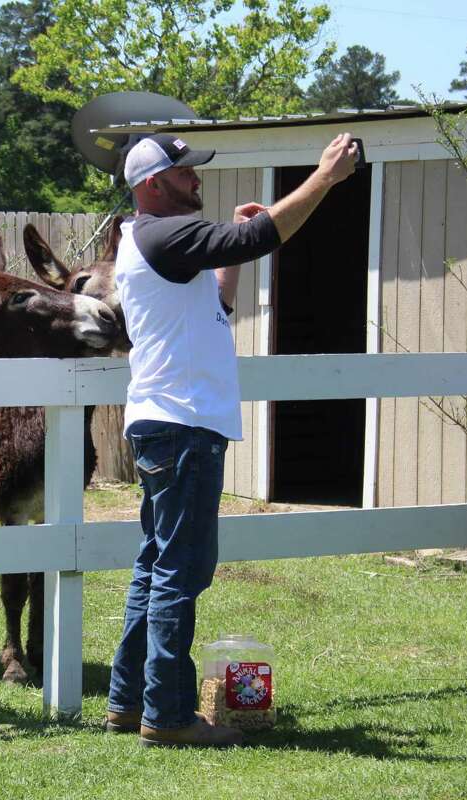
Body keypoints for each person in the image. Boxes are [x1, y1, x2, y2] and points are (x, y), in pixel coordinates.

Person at [104, 131, 358, 747]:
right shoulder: (161, 233)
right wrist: (322, 177)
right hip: (184, 426)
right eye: (184, 172)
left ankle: (128, 699)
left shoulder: (161, 244)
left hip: (170, 423)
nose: (197, 180)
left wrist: (232, 257)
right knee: (181, 570)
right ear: (151, 186)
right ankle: (167, 716)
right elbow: (257, 236)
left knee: (157, 564)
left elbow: (215, 303)